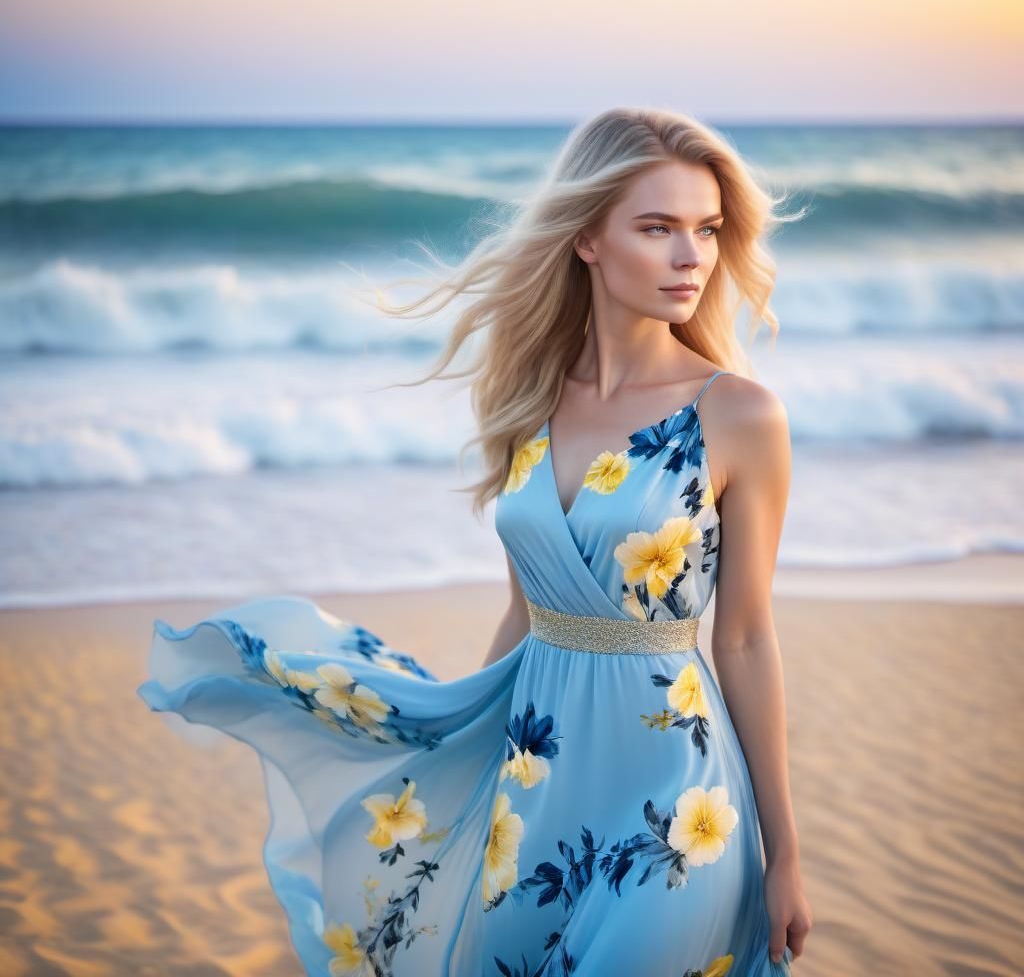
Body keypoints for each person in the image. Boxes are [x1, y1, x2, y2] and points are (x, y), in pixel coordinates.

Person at [138, 106, 813, 976]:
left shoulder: (739, 414)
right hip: (536, 786)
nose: (692, 257)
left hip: (678, 800)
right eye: (659, 228)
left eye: (708, 230)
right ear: (588, 240)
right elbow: (529, 611)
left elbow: (749, 637)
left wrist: (785, 851)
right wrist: (452, 746)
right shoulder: (529, 406)